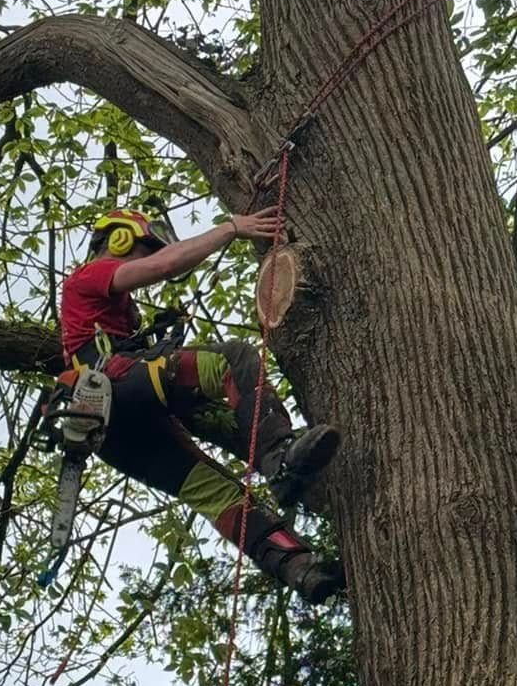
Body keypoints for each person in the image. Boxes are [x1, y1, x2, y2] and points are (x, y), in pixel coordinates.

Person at [58, 206, 343, 603]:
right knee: (234, 360)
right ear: (120, 240)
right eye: (145, 248)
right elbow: (165, 265)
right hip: (116, 385)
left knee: (215, 491)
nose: (148, 257)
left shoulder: (109, 317)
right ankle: (279, 459)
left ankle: (299, 569)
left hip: (114, 433)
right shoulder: (88, 276)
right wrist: (231, 229)